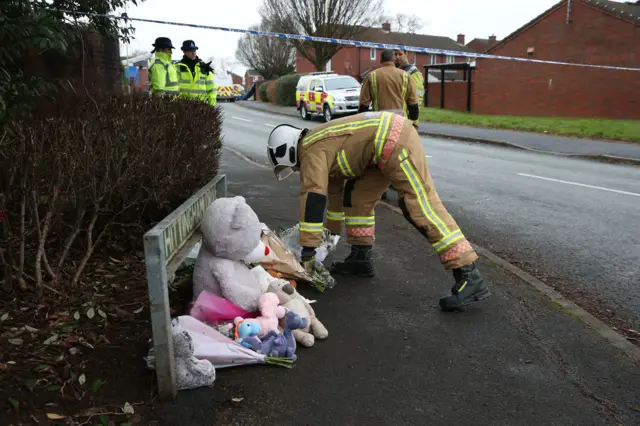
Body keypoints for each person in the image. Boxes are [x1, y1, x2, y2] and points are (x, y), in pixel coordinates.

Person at [265, 111, 491, 311]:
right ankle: (361, 258)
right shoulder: (317, 146)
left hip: (394, 140)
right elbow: (331, 197)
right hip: (380, 149)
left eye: (290, 166)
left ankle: (468, 274)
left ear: (286, 150)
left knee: (419, 205)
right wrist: (330, 235)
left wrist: (308, 252)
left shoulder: (310, 150)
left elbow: (313, 197)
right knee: (356, 198)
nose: (294, 170)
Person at [359, 49, 420, 201]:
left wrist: (361, 122)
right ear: (394, 60)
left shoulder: (372, 76)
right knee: (400, 157)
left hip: (380, 123)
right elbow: (413, 103)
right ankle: (404, 190)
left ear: (380, 60)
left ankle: (382, 190)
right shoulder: (405, 76)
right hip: (401, 124)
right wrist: (413, 122)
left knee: (379, 156)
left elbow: (364, 104)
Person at [176, 40, 217, 106]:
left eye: (194, 50)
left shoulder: (204, 67)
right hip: (182, 106)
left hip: (200, 106)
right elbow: (173, 89)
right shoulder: (176, 67)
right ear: (184, 52)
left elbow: (211, 89)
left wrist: (211, 106)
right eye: (190, 51)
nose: (193, 53)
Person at [393, 48, 425, 126]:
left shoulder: (413, 71)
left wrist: (412, 113)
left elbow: (419, 94)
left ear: (406, 54)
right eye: (395, 54)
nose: (397, 57)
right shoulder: (396, 70)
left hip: (408, 114)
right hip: (396, 114)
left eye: (400, 54)